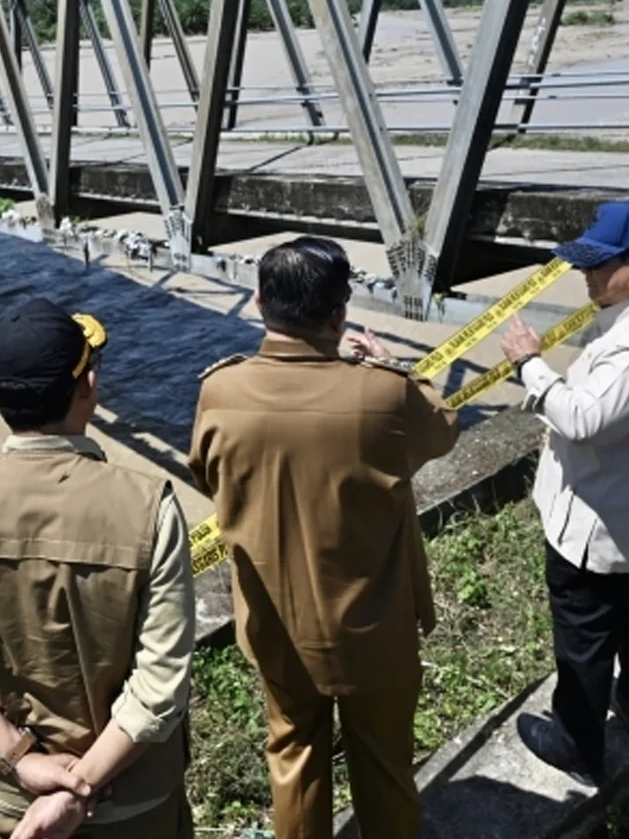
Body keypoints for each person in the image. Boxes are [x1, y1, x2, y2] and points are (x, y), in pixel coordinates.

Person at [187, 236, 458, 839]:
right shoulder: (385, 394)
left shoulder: (221, 391)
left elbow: (207, 475)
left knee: (294, 759)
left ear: (258, 303)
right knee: (385, 761)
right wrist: (394, 365)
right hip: (375, 624)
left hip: (277, 625)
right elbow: (442, 430)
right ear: (339, 315)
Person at [0, 299, 196, 839]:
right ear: (88, 388)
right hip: (135, 800)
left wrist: (24, 760)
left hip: (21, 804)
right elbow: (159, 682)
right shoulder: (148, 507)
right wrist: (82, 787)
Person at [497, 202, 629, 783]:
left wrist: (530, 365)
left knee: (584, 637)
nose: (583, 276)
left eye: (595, 265)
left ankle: (577, 743)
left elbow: (584, 419)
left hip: (600, 520)